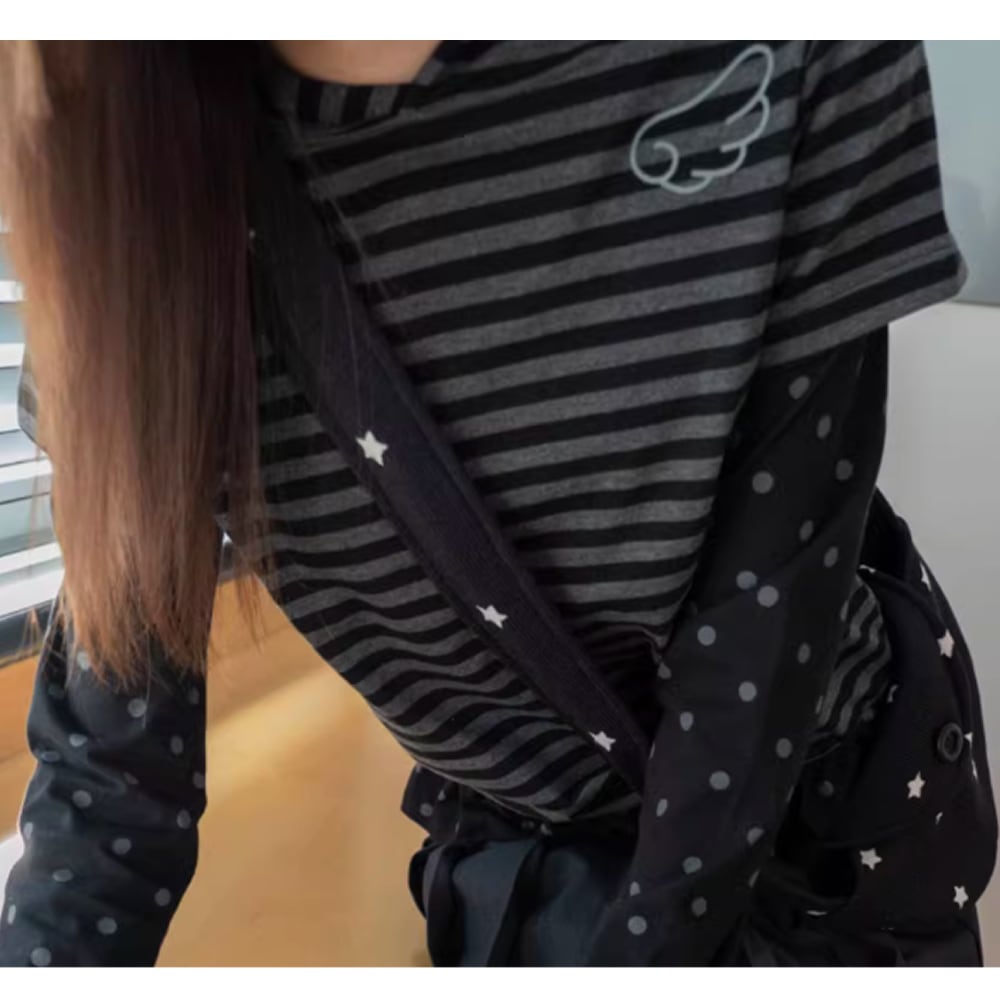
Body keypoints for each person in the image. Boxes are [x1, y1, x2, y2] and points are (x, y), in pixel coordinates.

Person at [0, 40, 995, 968]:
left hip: (825, 838)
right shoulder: (107, 173)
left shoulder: (793, 50)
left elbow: (759, 647)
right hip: (532, 856)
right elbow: (108, 789)